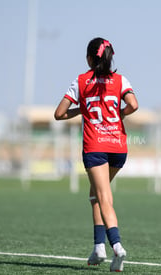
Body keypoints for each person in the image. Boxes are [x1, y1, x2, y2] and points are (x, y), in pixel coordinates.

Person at [54, 37, 138, 272]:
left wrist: (83, 108)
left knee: (103, 198)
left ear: (90, 58)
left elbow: (59, 114)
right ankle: (98, 247)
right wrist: (118, 114)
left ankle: (117, 247)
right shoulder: (121, 80)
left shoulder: (81, 81)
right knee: (95, 195)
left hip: (96, 148)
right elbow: (134, 104)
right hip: (118, 148)